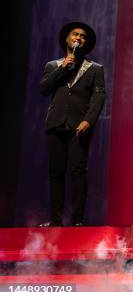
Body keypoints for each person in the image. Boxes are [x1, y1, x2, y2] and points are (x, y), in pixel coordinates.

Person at [39, 21, 105, 227]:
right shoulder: (53, 65)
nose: (79, 38)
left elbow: (99, 97)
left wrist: (89, 120)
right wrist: (62, 68)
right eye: (75, 34)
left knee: (78, 172)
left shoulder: (94, 69)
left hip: (79, 125)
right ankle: (56, 220)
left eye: (83, 36)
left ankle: (77, 220)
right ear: (67, 39)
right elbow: (44, 89)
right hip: (56, 124)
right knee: (55, 173)